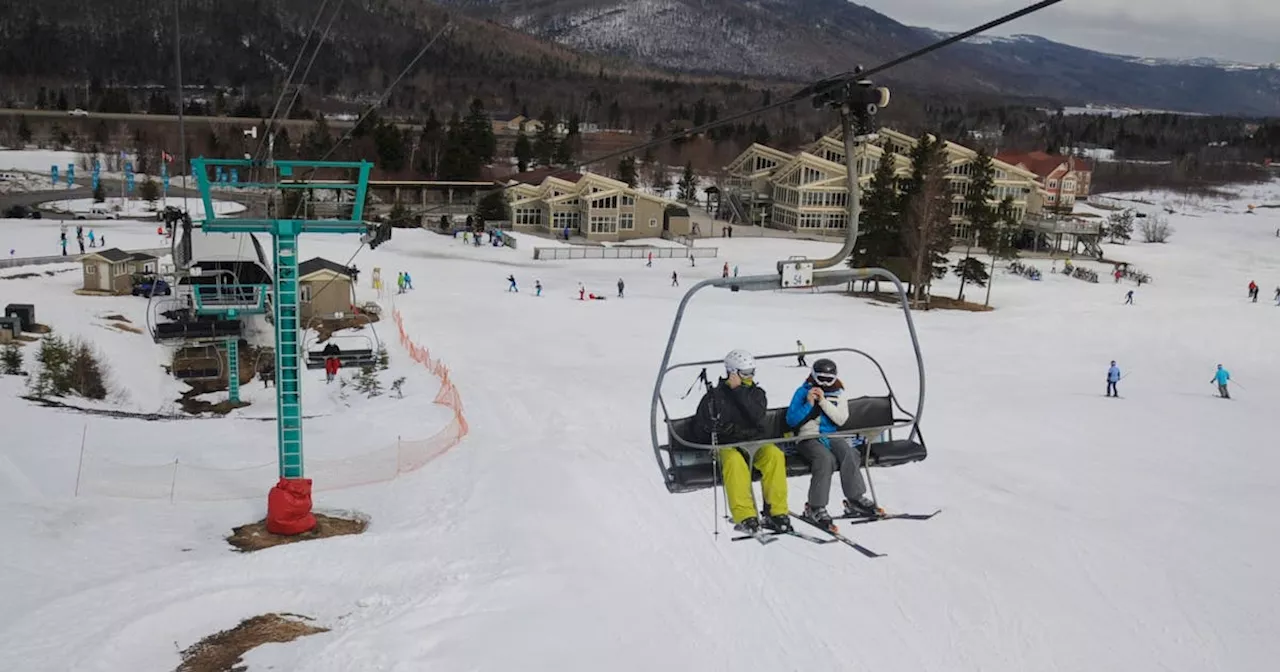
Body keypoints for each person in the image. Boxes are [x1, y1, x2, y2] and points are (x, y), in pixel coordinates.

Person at [691, 349, 790, 534]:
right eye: (745, 373)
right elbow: (700, 427)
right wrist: (711, 428)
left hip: (753, 442)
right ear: (732, 372)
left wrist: (739, 391)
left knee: (774, 455)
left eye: (752, 372)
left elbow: (756, 415)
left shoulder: (756, 394)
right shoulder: (714, 397)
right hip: (726, 445)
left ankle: (776, 512)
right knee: (734, 463)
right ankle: (745, 516)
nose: (750, 377)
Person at [786, 359, 878, 530]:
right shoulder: (802, 391)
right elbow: (791, 420)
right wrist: (809, 404)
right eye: (820, 378)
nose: (824, 383)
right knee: (824, 459)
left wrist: (823, 402)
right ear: (813, 376)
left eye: (829, 379)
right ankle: (815, 506)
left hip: (831, 435)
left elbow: (840, 419)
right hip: (808, 437)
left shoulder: (839, 393)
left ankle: (855, 498)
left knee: (850, 453)